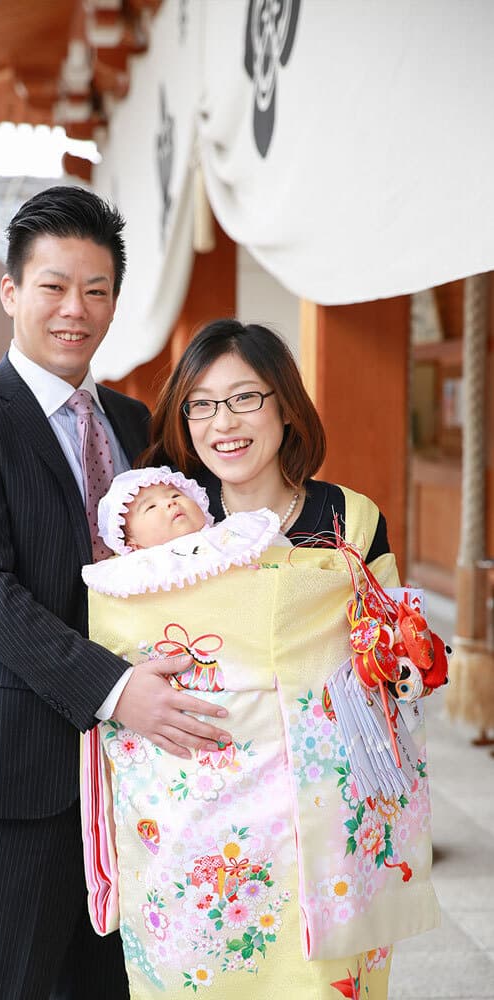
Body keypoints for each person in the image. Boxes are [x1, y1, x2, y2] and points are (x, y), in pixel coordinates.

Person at [0, 186, 231, 1000]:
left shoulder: (137, 423)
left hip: (136, 773)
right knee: (1, 982)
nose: (74, 310)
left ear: (115, 301)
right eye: (53, 286)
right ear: (11, 291)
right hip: (16, 762)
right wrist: (116, 689)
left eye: (96, 290)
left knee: (113, 986)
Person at [81, 320, 440, 998]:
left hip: (326, 815)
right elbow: (123, 641)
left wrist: (401, 657)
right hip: (206, 830)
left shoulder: (350, 518)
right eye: (202, 404)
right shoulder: (166, 530)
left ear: (286, 405)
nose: (224, 422)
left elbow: (392, 641)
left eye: (245, 397)